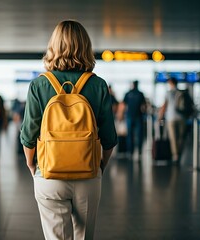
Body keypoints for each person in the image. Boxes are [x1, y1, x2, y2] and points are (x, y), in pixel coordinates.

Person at [20, 20, 117, 240]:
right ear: (85, 47)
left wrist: (32, 166)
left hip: (49, 174)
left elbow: (28, 136)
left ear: (53, 46)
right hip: (88, 176)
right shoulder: (98, 84)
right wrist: (99, 167)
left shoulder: (39, 85)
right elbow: (109, 138)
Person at [159, 77, 186, 163]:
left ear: (171, 83)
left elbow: (164, 105)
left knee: (173, 137)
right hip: (182, 118)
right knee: (181, 137)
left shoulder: (168, 93)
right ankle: (179, 152)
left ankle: (175, 155)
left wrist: (160, 116)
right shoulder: (181, 93)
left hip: (171, 118)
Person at [123, 80, 146, 160]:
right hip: (138, 116)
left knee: (130, 135)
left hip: (130, 116)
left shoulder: (128, 94)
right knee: (139, 135)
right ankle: (139, 151)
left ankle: (130, 152)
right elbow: (143, 107)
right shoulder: (140, 94)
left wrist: (121, 115)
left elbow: (124, 105)